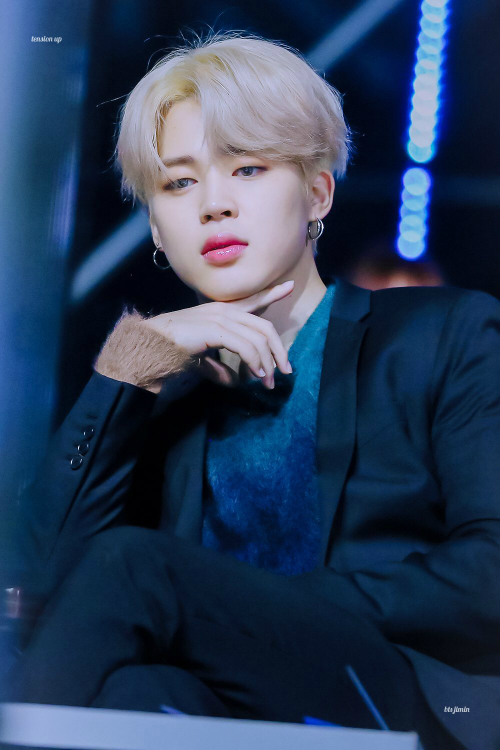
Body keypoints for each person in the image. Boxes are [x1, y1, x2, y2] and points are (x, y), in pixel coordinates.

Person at [6, 33, 500, 750]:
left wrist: (254, 608)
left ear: (317, 193)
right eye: (179, 184)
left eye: (247, 168)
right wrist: (133, 362)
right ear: (156, 228)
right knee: (135, 689)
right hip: (211, 705)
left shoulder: (443, 335)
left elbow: (490, 572)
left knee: (136, 567)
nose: (213, 204)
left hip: (395, 696)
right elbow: (42, 589)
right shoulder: (159, 403)